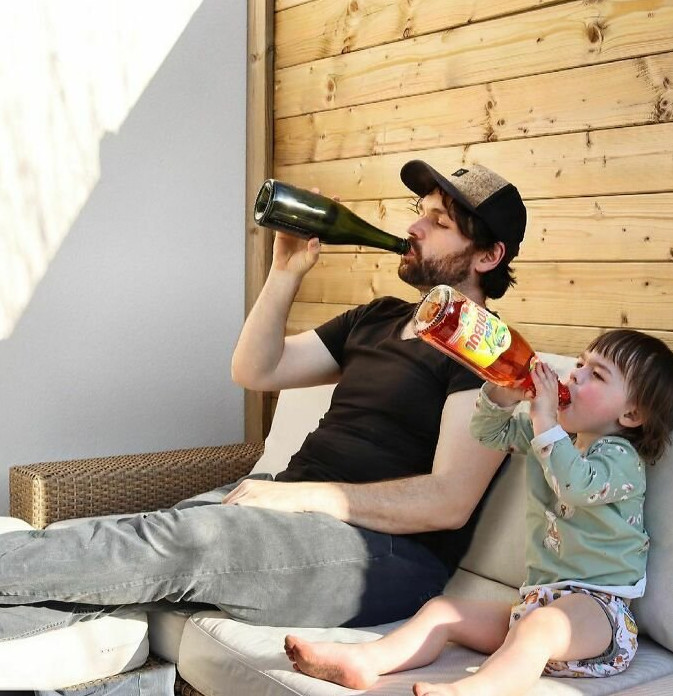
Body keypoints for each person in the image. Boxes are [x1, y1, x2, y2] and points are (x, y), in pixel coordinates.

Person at [0, 161, 526, 639]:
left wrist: (303, 498)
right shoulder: (379, 317)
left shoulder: (488, 353)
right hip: (291, 507)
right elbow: (256, 370)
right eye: (421, 212)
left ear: (488, 255)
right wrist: (285, 272)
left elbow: (448, 501)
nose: (414, 227)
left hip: (383, 555)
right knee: (128, 553)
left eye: (438, 222)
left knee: (183, 540)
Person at [284, 329, 673, 696]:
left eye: (597, 375)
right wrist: (503, 397)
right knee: (442, 611)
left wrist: (546, 420)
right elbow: (490, 435)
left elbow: (574, 483)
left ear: (631, 415)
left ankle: (474, 690)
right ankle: (364, 661)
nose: (575, 376)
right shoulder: (553, 437)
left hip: (600, 615)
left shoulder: (621, 459)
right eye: (580, 364)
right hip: (536, 602)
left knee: (539, 628)